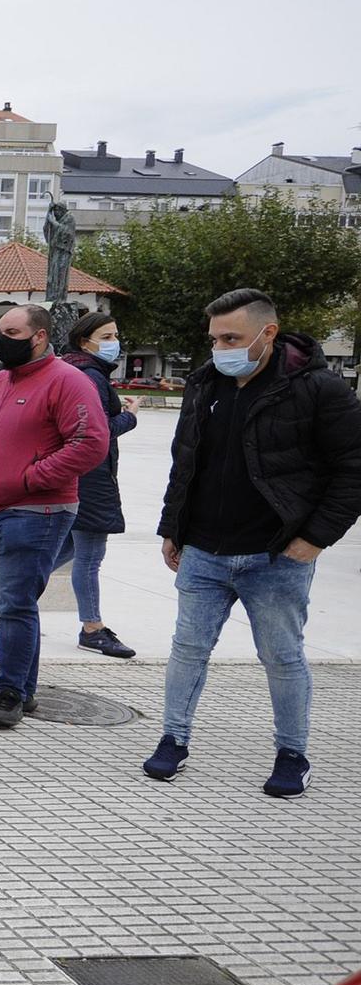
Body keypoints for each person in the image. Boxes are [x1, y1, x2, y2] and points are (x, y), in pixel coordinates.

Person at [147, 288, 361, 798]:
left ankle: (293, 753)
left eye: (231, 338)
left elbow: (352, 470)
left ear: (268, 333)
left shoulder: (319, 390)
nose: (220, 348)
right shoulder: (205, 383)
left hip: (276, 554)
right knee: (187, 649)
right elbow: (187, 462)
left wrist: (314, 538)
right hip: (202, 550)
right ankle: (173, 739)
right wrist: (172, 528)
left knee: (283, 656)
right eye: (215, 338)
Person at [0, 305, 109, 729]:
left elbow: (91, 441)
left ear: (40, 336)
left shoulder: (68, 380)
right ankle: (18, 687)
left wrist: (33, 477)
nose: (2, 338)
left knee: (15, 602)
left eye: (12, 331)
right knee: (9, 601)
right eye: (0, 330)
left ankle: (11, 691)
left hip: (38, 510)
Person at [54, 312, 140, 658]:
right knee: (89, 556)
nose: (113, 343)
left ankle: (9, 602)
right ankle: (92, 628)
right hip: (91, 477)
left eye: (115, 335)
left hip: (82, 474)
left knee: (67, 549)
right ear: (84, 341)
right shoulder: (90, 375)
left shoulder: (75, 370)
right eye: (106, 337)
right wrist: (129, 417)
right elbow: (96, 430)